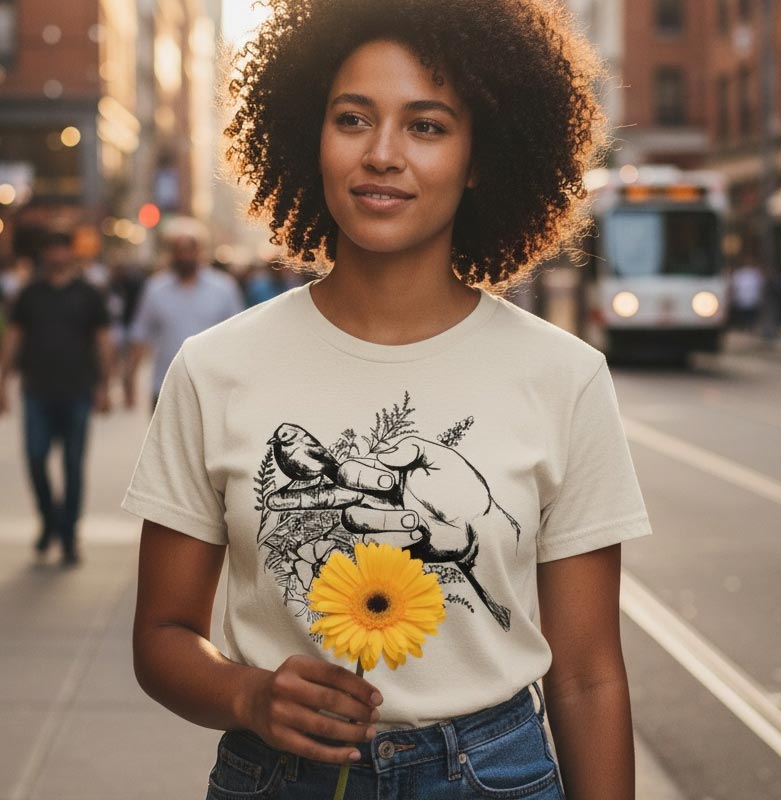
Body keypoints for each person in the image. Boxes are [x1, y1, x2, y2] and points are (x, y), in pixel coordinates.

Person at [122, 2, 652, 798]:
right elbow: (162, 636)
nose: (381, 154)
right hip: (277, 777)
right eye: (352, 119)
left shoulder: (564, 376)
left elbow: (587, 678)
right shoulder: (213, 369)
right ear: (313, 135)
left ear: (480, 157)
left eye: (427, 126)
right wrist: (247, 695)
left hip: (494, 773)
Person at [0, 230, 114, 566]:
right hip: (36, 390)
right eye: (50, 249)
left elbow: (103, 341)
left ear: (70, 252)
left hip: (78, 390)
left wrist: (106, 386)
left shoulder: (90, 294)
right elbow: (14, 338)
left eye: (61, 248)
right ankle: (49, 519)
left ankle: (68, 533)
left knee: (73, 465)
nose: (56, 255)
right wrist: (2, 381)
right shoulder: (30, 293)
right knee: (35, 458)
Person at [123, 223, 245, 411]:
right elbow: (141, 335)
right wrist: (129, 379)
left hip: (212, 389)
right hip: (165, 388)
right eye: (179, 250)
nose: (184, 256)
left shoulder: (224, 288)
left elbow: (239, 337)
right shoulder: (155, 289)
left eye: (190, 249)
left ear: (200, 251)